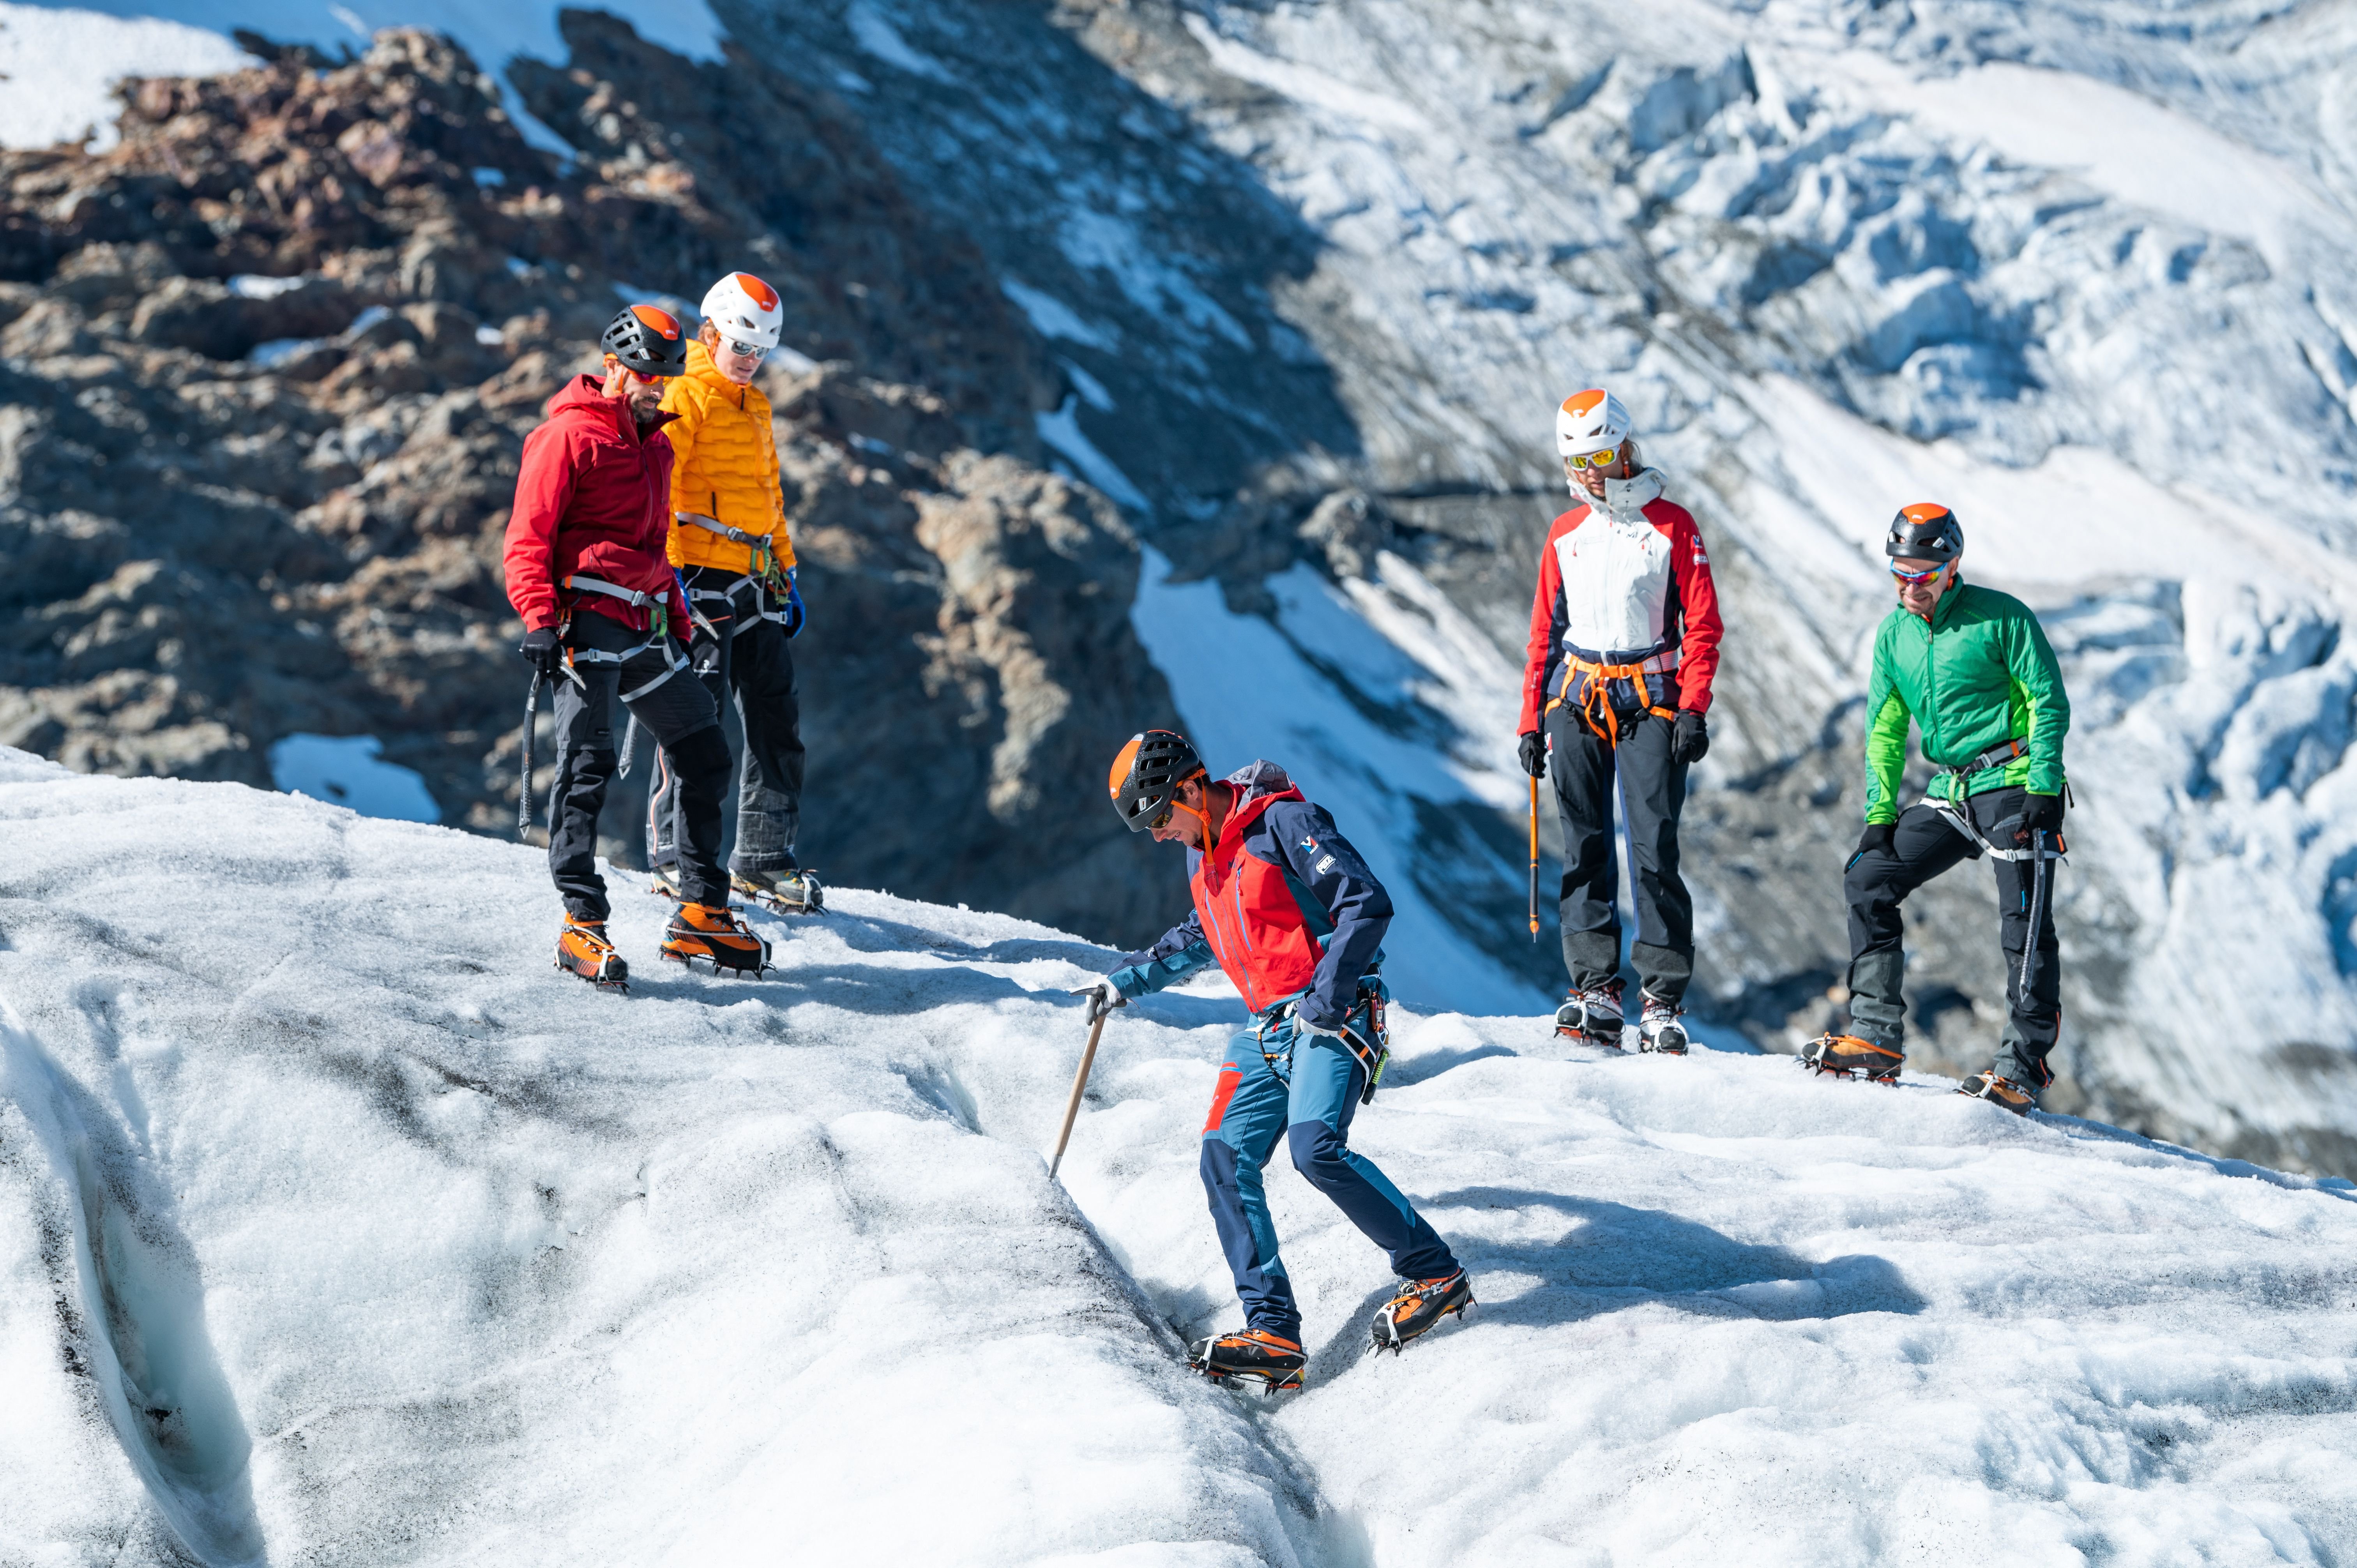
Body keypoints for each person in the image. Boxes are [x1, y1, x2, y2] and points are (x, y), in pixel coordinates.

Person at [1076, 731, 1470, 1391]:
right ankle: (1274, 1334)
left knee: (1316, 1149)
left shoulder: (1283, 821)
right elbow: (1204, 934)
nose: (1157, 835)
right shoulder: (1206, 856)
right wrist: (1126, 980)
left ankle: (1436, 1274)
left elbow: (1365, 903)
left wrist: (1325, 998)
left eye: (1160, 817)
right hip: (1265, 1029)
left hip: (1335, 1010)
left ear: (1192, 790)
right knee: (1223, 1159)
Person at [504, 303, 769, 987]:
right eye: (647, 374)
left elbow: (656, 545)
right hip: (585, 626)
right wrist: (538, 618)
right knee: (586, 766)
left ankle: (700, 915)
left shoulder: (657, 442)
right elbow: (528, 537)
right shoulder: (566, 437)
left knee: (706, 753)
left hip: (649, 626)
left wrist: (679, 618)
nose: (657, 387)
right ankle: (581, 925)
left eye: (665, 376)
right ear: (614, 366)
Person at [1804, 504, 2071, 1113]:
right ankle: (1875, 1037)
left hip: (2014, 780)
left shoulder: (2001, 617)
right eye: (1900, 572)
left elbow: (2048, 700)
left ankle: (2022, 1070)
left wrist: (2046, 786)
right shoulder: (1893, 634)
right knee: (1868, 878)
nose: (1910, 584)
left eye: (1923, 572)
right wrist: (1879, 815)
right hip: (1951, 790)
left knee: (2023, 924)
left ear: (1952, 567)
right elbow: (1885, 728)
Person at [1516, 389, 1722, 1054]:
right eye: (1578, 460)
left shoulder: (1674, 526)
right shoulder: (1564, 533)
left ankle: (1661, 996)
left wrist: (1693, 708)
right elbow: (1543, 633)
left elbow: (1703, 626)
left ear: (1627, 448)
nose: (1591, 472)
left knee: (1654, 844)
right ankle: (1594, 988)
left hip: (1652, 698)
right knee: (1583, 841)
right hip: (1576, 697)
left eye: (1602, 455)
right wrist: (1529, 721)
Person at [643, 271, 822, 915]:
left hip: (756, 583)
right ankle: (674, 858)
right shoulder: (685, 397)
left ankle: (764, 859)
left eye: (761, 353)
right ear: (710, 332)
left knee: (777, 722)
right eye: (742, 348)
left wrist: (786, 569)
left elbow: (768, 497)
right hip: (697, 584)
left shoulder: (756, 407)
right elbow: (657, 490)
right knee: (696, 729)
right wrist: (668, 582)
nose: (750, 362)